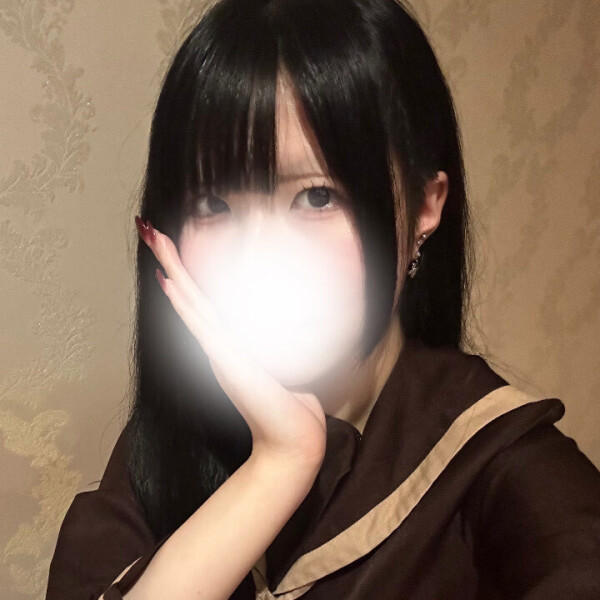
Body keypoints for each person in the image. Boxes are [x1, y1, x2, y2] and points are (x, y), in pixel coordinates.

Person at [45, 0, 600, 598]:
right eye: (214, 204)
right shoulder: (168, 441)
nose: (258, 258)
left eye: (315, 197)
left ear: (423, 205)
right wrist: (278, 463)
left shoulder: (500, 462)